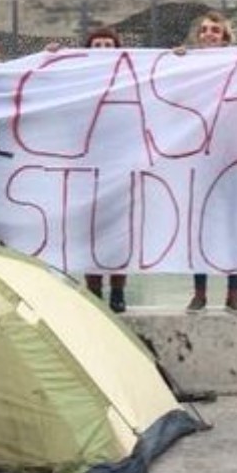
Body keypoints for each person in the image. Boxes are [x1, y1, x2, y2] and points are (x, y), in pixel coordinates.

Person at [183, 10, 237, 315]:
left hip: (232, 153)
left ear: (224, 37)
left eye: (216, 31)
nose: (209, 34)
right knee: (201, 226)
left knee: (234, 225)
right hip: (200, 154)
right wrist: (173, 63)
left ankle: (233, 293)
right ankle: (199, 293)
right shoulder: (185, 63)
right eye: (205, 30)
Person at [79, 25, 131, 315]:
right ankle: (94, 288)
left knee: (119, 233)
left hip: (121, 166)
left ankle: (118, 289)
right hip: (88, 167)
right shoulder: (77, 79)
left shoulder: (130, 78)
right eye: (96, 45)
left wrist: (176, 58)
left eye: (107, 45)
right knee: (90, 233)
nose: (102, 50)